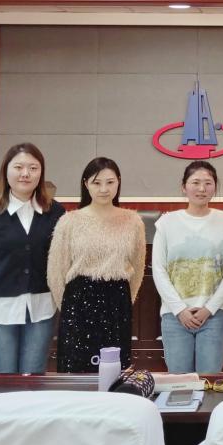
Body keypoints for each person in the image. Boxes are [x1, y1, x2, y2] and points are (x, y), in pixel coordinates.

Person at [0, 142, 65, 373]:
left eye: (33, 168)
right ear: (6, 171)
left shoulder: (56, 213)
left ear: (41, 173)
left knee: (33, 379)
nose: (25, 173)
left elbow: (60, 259)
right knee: (3, 381)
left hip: (41, 308)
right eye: (18, 167)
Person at [48, 157, 145, 373]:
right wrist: (70, 308)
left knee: (114, 370)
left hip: (117, 302)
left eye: (110, 182)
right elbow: (55, 271)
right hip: (78, 302)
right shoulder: (69, 221)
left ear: (118, 182)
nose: (103, 189)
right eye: (96, 183)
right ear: (86, 184)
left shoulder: (133, 221)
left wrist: (124, 300)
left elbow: (138, 268)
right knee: (76, 368)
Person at [153, 162, 223, 374]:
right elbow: (159, 269)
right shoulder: (166, 223)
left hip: (214, 315)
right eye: (195, 183)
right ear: (184, 187)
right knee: (179, 382)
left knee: (209, 381)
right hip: (175, 316)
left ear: (215, 187)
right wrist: (180, 310)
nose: (202, 189)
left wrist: (209, 309)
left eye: (208, 183)